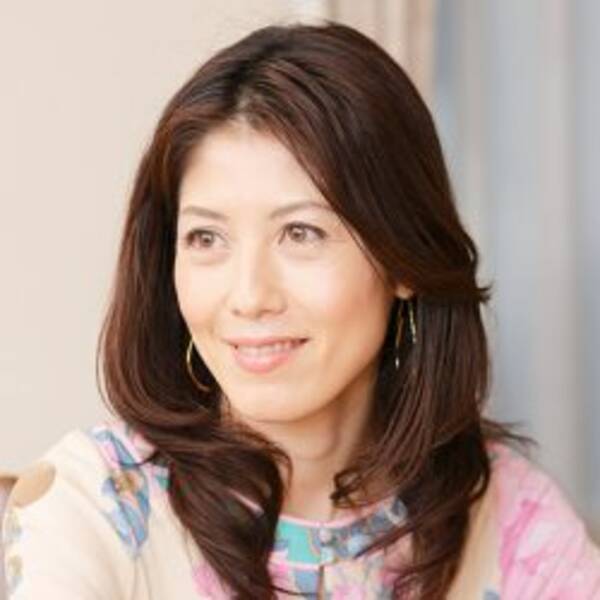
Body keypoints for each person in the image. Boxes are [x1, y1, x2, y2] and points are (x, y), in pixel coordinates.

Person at [2, 20, 599, 600]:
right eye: (206, 238)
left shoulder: (513, 521)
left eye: (301, 233)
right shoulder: (97, 507)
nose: (249, 296)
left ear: (403, 259)